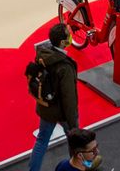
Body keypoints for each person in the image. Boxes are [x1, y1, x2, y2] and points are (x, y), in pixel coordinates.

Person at [28, 23, 79, 171]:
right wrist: (72, 120)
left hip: (46, 108)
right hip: (62, 112)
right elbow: (68, 97)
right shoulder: (64, 67)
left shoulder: (43, 54)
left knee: (41, 140)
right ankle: (77, 167)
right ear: (63, 42)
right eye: (68, 34)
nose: (70, 35)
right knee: (75, 142)